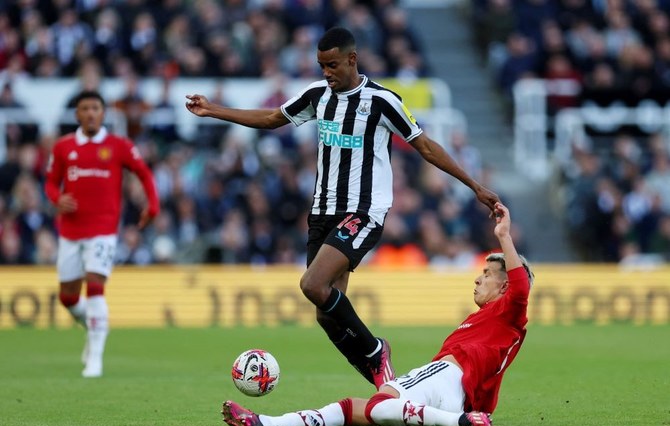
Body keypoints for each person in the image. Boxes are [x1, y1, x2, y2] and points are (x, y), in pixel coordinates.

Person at [185, 27, 500, 389]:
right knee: (325, 314)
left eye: (332, 65)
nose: (326, 72)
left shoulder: (382, 101)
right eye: (321, 65)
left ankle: (376, 351)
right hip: (322, 211)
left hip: (363, 211)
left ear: (352, 59)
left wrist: (474, 185)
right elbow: (273, 119)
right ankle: (384, 386)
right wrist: (213, 110)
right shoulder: (317, 95)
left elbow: (425, 147)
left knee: (312, 284)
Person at [221, 202, 533, 426]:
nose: (478, 279)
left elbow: (521, 287)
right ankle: (262, 423)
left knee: (380, 405)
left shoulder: (509, 310)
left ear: (505, 284)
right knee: (351, 409)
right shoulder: (492, 321)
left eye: (487, 274)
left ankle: (459, 421)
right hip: (451, 394)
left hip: (446, 382)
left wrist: (503, 235)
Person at [44, 90, 160, 377]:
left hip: (104, 229)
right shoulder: (63, 147)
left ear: (103, 112)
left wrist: (153, 205)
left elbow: (144, 173)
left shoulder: (118, 145)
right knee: (68, 298)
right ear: (77, 115)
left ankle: (95, 359)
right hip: (70, 230)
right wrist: (57, 200)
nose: (91, 113)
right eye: (85, 109)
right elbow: (49, 183)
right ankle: (93, 326)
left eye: (96, 108)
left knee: (95, 285)